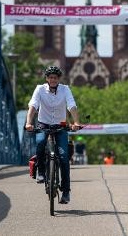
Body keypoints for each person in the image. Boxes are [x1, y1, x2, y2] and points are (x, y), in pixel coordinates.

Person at [25, 66, 81, 204]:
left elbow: (71, 105)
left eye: (55, 77)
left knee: (63, 158)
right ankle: (41, 173)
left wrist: (76, 122)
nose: (53, 80)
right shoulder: (39, 89)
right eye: (50, 77)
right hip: (43, 125)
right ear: (47, 79)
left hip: (60, 126)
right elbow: (33, 106)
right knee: (40, 143)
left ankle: (66, 191)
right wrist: (28, 123)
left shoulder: (65, 89)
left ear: (58, 79)